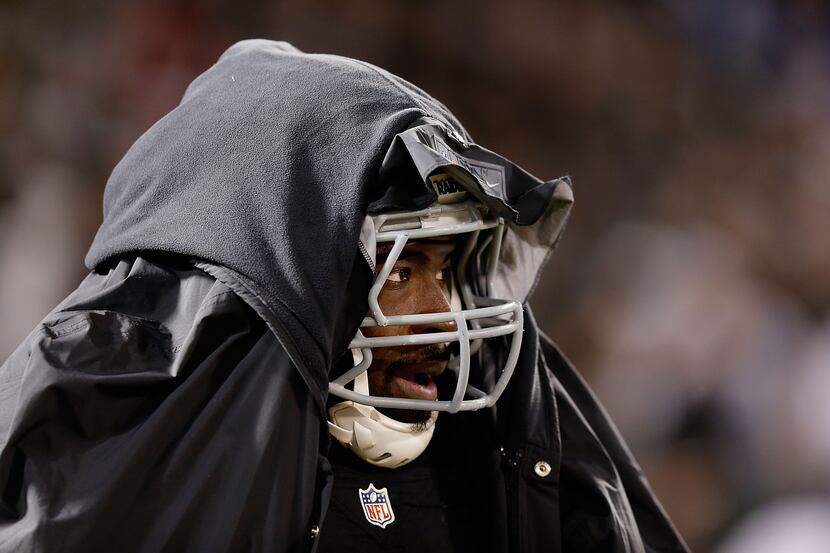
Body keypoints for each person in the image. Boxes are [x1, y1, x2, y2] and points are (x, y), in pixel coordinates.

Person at [0, 40, 688, 552]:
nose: (444, 318)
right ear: (279, 269)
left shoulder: (481, 458)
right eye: (401, 269)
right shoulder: (82, 440)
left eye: (449, 271)